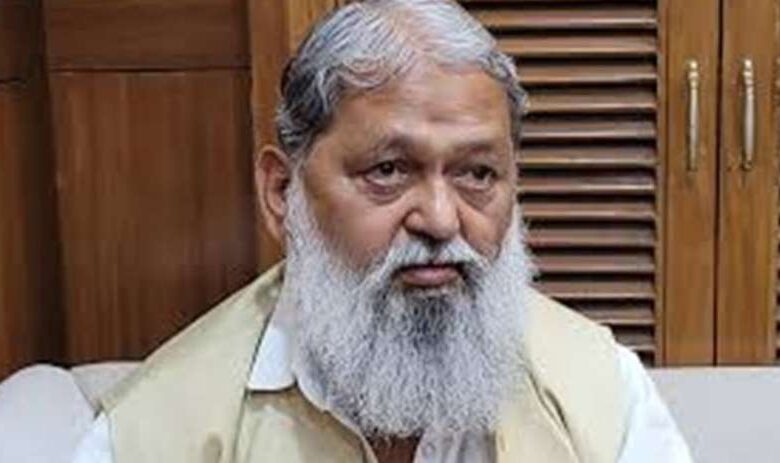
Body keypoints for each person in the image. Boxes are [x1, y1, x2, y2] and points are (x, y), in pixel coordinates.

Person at [72, 0, 691, 461]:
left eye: (477, 174)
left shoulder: (603, 395)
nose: (441, 219)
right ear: (282, 192)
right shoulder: (151, 433)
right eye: (388, 171)